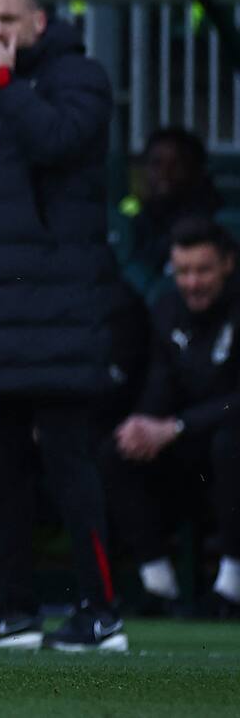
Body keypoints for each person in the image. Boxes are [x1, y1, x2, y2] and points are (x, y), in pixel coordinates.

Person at [0, 0, 127, 652]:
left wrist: (2, 84)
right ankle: (13, 606)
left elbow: (57, 141)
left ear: (40, 22)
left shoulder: (79, 77)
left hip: (57, 316)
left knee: (71, 466)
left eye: (8, 20)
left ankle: (102, 610)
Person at [101, 217, 240, 619]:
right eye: (183, 271)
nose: (192, 282)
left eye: (203, 270)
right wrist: (143, 422)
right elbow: (160, 382)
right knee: (117, 450)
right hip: (190, 445)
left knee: (231, 443)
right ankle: (158, 584)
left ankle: (231, 587)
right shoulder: (167, 307)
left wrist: (176, 427)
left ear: (228, 264)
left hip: (225, 444)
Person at [117, 128, 221, 303]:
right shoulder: (135, 207)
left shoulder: (207, 213)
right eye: (156, 163)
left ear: (193, 168)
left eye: (176, 164)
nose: (165, 172)